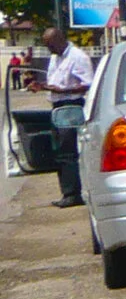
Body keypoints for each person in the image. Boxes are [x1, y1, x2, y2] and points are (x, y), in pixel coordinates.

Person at [29, 27, 91, 208]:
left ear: (59, 40)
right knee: (59, 152)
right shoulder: (55, 57)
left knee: (67, 151)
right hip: (57, 107)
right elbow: (55, 81)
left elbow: (88, 84)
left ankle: (73, 194)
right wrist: (42, 86)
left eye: (50, 45)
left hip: (71, 106)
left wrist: (63, 90)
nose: (49, 49)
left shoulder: (77, 57)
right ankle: (67, 191)